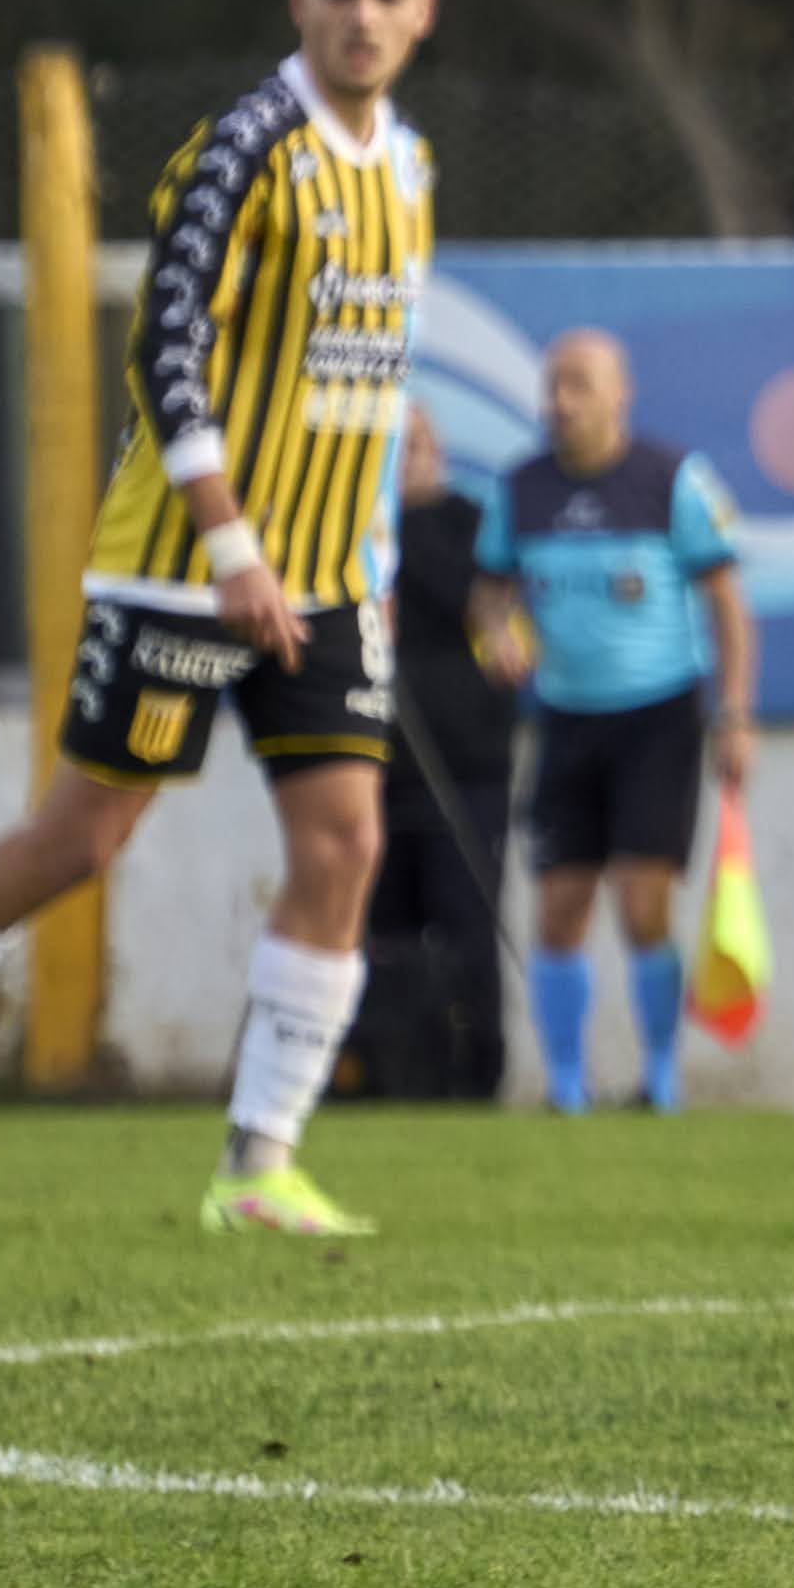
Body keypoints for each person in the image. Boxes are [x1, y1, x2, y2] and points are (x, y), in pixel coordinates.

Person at [0, 0, 439, 1234]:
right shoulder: (243, 148)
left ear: (422, 13)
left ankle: (258, 1165)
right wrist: (230, 543)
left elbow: (373, 386)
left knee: (346, 841)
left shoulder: (409, 166)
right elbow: (168, 348)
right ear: (300, 1)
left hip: (327, 577)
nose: (363, 16)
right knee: (84, 839)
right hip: (187, 561)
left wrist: (371, 560)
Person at [474, 327, 753, 1113]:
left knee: (641, 903)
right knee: (559, 906)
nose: (560, 402)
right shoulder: (519, 489)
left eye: (579, 385)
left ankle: (660, 1077)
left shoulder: (672, 480)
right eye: (553, 386)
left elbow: (729, 605)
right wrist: (497, 634)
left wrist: (734, 714)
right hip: (565, 719)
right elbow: (489, 593)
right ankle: (567, 1087)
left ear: (619, 395)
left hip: (659, 719)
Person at [345, 403, 519, 1099]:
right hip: (375, 765)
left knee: (465, 922)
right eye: (396, 446)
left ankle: (476, 1074)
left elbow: (468, 599)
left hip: (465, 764)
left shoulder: (470, 525)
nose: (409, 457)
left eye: (417, 443)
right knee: (382, 928)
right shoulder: (353, 533)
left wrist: (401, 521)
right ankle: (389, 1068)